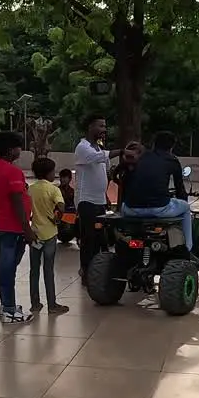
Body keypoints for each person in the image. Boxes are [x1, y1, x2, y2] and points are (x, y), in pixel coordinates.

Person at [0, 131, 37, 323]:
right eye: (18, 147)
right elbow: (16, 201)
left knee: (4, 266)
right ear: (10, 149)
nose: (20, 151)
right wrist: (27, 229)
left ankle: (7, 305)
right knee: (8, 268)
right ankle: (8, 309)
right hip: (13, 228)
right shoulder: (13, 172)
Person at [120, 132, 196, 259]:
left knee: (123, 207)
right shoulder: (172, 160)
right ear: (172, 147)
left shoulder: (141, 157)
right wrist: (182, 200)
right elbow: (180, 190)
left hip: (131, 209)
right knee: (185, 208)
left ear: (153, 144)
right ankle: (187, 249)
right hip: (159, 208)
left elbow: (127, 183)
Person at [73, 116, 122, 280]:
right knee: (89, 239)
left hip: (99, 200)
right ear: (90, 127)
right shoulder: (83, 147)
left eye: (105, 126)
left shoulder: (99, 148)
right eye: (100, 126)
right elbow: (99, 158)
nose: (104, 129)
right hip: (86, 201)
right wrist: (122, 151)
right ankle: (86, 271)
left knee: (101, 239)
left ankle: (98, 271)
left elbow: (106, 171)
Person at [28, 158, 70, 314]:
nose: (55, 174)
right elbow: (61, 206)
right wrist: (57, 218)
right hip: (50, 234)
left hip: (34, 235)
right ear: (49, 173)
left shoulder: (31, 189)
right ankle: (52, 305)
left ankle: (35, 303)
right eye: (54, 171)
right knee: (48, 269)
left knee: (34, 270)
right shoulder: (53, 189)